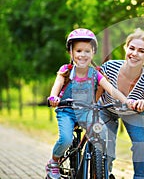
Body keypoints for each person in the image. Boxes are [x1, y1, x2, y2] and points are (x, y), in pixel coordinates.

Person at [45, 28, 131, 179]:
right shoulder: (66, 70)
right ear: (71, 53)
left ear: (92, 53)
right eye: (78, 51)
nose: (82, 55)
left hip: (87, 111)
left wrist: (126, 101)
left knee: (101, 132)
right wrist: (53, 97)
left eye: (87, 51)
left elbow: (111, 89)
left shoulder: (95, 73)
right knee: (66, 139)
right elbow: (57, 85)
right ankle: (54, 161)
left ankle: (99, 166)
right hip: (67, 111)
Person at [99, 31, 144, 179]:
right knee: (106, 146)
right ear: (126, 48)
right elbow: (95, 93)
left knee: (141, 144)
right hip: (107, 109)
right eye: (131, 48)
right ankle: (103, 175)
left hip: (133, 112)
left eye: (141, 51)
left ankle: (140, 177)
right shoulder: (109, 67)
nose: (134, 53)